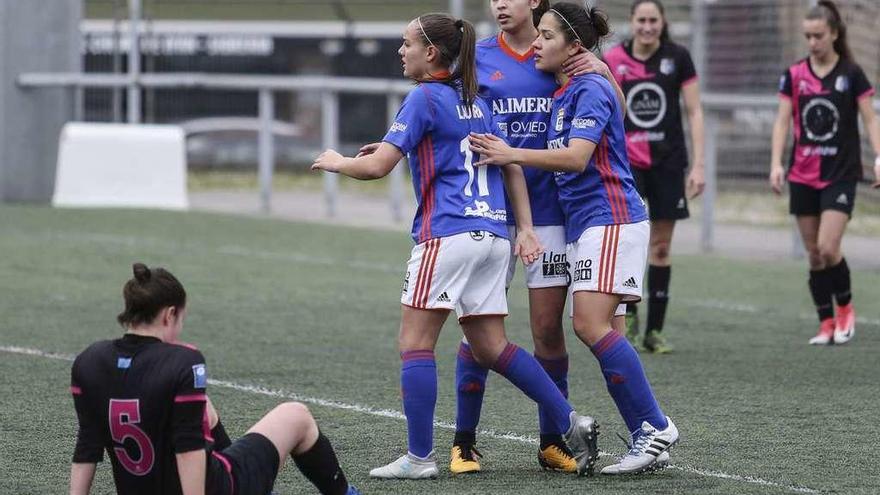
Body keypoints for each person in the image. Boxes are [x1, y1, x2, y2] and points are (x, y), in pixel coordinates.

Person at [311, 12, 601, 479]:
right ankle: (571, 420)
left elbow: (377, 168)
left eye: (407, 44)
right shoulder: (477, 101)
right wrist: (523, 227)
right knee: (492, 347)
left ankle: (420, 458)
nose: (400, 52)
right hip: (492, 236)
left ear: (431, 53)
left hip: (448, 234)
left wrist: (336, 161)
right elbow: (508, 166)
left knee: (414, 343)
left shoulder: (423, 97)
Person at [469, 1, 679, 474]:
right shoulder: (568, 91)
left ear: (573, 47)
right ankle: (647, 437)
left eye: (547, 36)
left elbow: (578, 157)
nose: (537, 44)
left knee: (588, 325)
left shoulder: (588, 88)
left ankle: (654, 425)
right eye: (538, 35)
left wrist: (510, 153)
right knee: (602, 330)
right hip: (588, 224)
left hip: (611, 218)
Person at [449, 0, 629, 476]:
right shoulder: (478, 58)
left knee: (548, 331)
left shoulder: (560, 56)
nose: (500, 4)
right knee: (479, 325)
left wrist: (606, 70)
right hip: (487, 212)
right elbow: (451, 113)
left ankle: (553, 442)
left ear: (535, 2)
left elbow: (615, 110)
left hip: (550, 214)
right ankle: (463, 443)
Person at [69, 263, 359, 495]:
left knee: (203, 407)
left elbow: (87, 448)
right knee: (297, 415)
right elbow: (188, 450)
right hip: (215, 487)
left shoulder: (90, 361)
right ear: (170, 315)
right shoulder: (182, 361)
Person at [769, 0, 880, 346]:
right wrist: (776, 163)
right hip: (802, 175)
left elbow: (870, 118)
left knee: (828, 246)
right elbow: (783, 120)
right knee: (814, 255)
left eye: (818, 36)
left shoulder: (851, 74)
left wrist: (879, 154)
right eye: (807, 36)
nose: (812, 42)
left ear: (833, 34)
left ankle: (845, 307)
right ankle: (825, 322)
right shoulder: (795, 74)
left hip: (840, 173)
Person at [603, 0, 705, 354]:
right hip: (625, 165)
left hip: (668, 163)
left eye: (653, 21)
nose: (647, 27)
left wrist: (699, 165)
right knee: (629, 244)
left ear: (662, 24)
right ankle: (628, 317)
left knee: (661, 247)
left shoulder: (678, 58)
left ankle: (655, 332)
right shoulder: (613, 59)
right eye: (641, 20)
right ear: (632, 22)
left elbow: (694, 112)